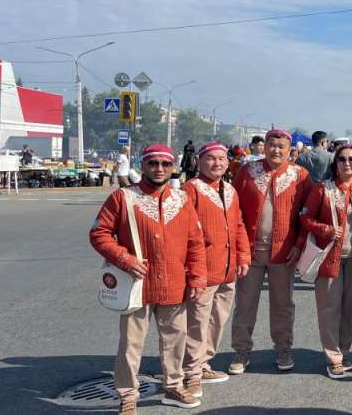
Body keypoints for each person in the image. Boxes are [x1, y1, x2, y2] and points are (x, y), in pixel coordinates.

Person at [89, 144, 207, 413]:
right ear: (143, 165)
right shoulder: (123, 197)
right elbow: (99, 234)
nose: (159, 169)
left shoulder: (182, 200)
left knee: (175, 339)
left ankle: (174, 386)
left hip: (175, 283)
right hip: (136, 285)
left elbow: (196, 243)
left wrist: (198, 278)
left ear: (172, 167)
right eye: (153, 163)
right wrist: (125, 259)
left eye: (165, 164)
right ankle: (128, 395)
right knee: (131, 344)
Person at [230, 129, 312, 374]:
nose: (276, 150)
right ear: (263, 147)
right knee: (245, 304)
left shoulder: (301, 175)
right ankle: (241, 352)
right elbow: (235, 212)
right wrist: (240, 248)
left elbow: (307, 216)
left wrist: (299, 245)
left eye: (281, 147)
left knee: (283, 304)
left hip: (283, 254)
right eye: (272, 145)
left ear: (290, 151)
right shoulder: (247, 172)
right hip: (251, 252)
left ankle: (283, 348)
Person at [299, 143, 352, 379]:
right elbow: (304, 217)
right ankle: (333, 357)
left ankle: (344, 351)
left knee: (349, 309)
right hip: (329, 258)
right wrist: (325, 229)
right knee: (329, 308)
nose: (347, 163)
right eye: (342, 159)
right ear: (335, 163)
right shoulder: (323, 189)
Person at [180, 142, 251, 399]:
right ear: (200, 162)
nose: (217, 163)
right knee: (197, 322)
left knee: (218, 319)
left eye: (221, 159)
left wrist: (243, 255)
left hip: (228, 267)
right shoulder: (191, 189)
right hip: (203, 269)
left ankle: (204, 362)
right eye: (211, 159)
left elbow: (239, 224)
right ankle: (191, 373)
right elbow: (185, 231)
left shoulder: (230, 189)